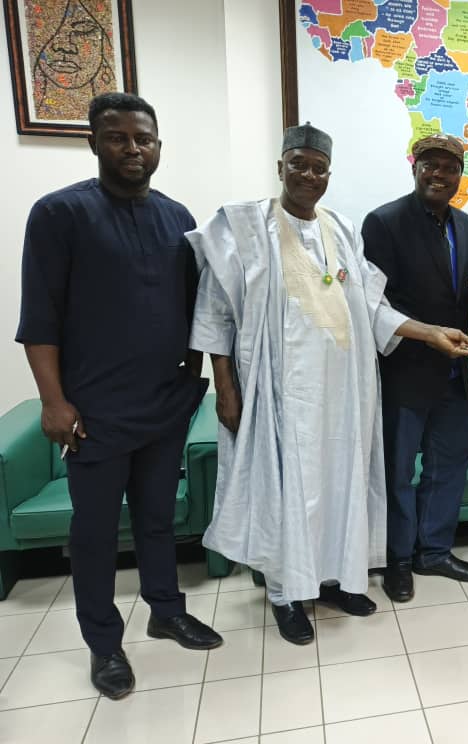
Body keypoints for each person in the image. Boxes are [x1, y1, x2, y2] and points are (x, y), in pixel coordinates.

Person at [187, 123, 468, 644]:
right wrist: (225, 387)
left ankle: (335, 580)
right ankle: (285, 594)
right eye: (298, 164)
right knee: (286, 489)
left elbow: (370, 303)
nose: (309, 175)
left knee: (340, 484)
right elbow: (214, 313)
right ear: (281, 167)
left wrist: (430, 332)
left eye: (319, 168)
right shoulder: (246, 229)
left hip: (343, 394)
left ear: (328, 175)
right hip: (280, 394)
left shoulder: (339, 229)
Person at [15, 92, 221, 700]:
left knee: (159, 520)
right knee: (96, 533)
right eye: (119, 138)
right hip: (94, 411)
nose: (134, 148)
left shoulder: (177, 215)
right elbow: (40, 318)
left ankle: (165, 609)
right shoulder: (59, 214)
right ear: (94, 143)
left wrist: (193, 370)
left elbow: (196, 306)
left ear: (159, 146)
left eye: (145, 139)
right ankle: (103, 644)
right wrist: (53, 403)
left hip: (164, 403)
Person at [362, 133, 468, 602]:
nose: (439, 175)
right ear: (414, 167)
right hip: (404, 371)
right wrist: (429, 333)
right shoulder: (384, 223)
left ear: (461, 175)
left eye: (449, 168)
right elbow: (373, 303)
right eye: (429, 165)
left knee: (452, 460)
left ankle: (434, 551)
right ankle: (397, 559)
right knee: (397, 470)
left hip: (456, 373)